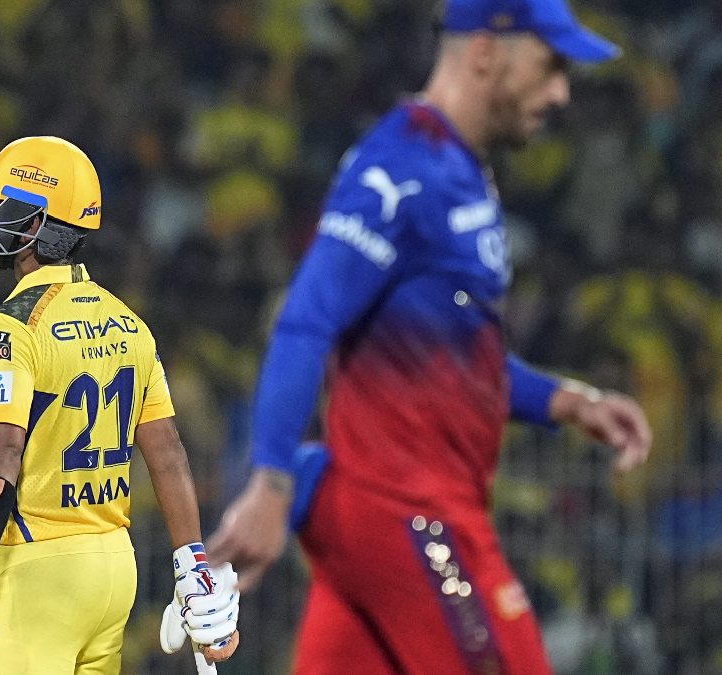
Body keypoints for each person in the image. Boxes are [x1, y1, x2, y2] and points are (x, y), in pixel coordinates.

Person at [206, 0, 653, 672]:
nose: (561, 92)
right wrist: (269, 482)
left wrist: (569, 401)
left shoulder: (460, 172)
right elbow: (307, 317)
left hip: (385, 516)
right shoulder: (400, 168)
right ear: (485, 55)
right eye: (550, 66)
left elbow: (456, 357)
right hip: (408, 513)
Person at [0, 136, 239, 674]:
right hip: (113, 566)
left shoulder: (10, 324)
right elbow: (167, 452)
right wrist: (193, 563)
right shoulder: (130, 322)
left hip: (36, 567)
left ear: (31, 223)